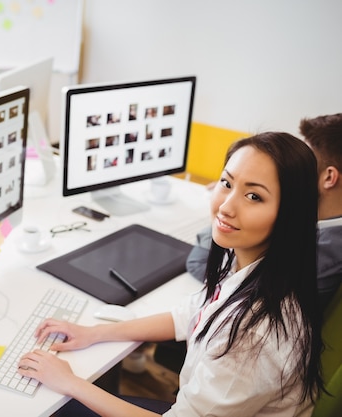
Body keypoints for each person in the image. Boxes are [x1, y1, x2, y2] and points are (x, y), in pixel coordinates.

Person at [19, 132, 324, 416]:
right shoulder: (251, 261)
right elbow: (189, 315)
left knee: (57, 407)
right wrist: (94, 334)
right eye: (227, 183)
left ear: (289, 214)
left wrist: (71, 383)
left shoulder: (253, 334)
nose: (226, 207)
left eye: (254, 196)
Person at [187, 114, 342, 307]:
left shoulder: (326, 249)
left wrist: (222, 217)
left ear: (329, 177)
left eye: (308, 159)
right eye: (226, 182)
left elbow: (206, 266)